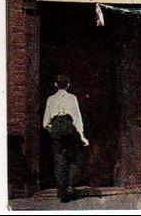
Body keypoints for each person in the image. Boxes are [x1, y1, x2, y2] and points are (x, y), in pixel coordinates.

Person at [43, 75, 89, 203]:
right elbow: (77, 118)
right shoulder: (72, 98)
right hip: (69, 128)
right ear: (68, 84)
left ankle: (62, 191)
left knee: (59, 159)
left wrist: (54, 131)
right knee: (74, 158)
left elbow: (46, 122)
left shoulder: (50, 99)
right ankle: (70, 186)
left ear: (55, 84)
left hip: (56, 128)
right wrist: (82, 136)